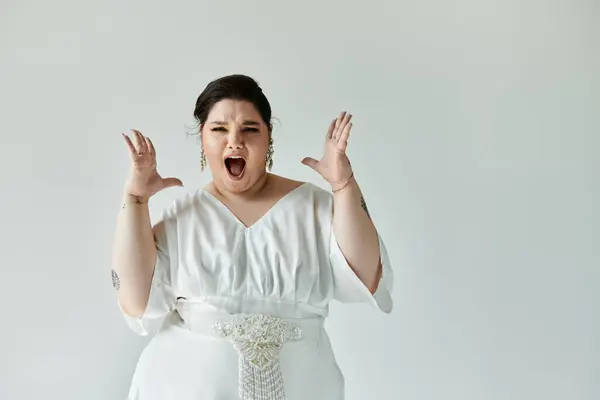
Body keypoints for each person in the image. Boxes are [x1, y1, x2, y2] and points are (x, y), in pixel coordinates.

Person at [111, 74, 394, 400]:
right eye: (219, 129)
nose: (234, 141)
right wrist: (135, 200)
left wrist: (344, 186)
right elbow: (136, 302)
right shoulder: (184, 216)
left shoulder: (314, 207)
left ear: (268, 136)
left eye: (249, 129)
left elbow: (367, 275)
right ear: (202, 139)